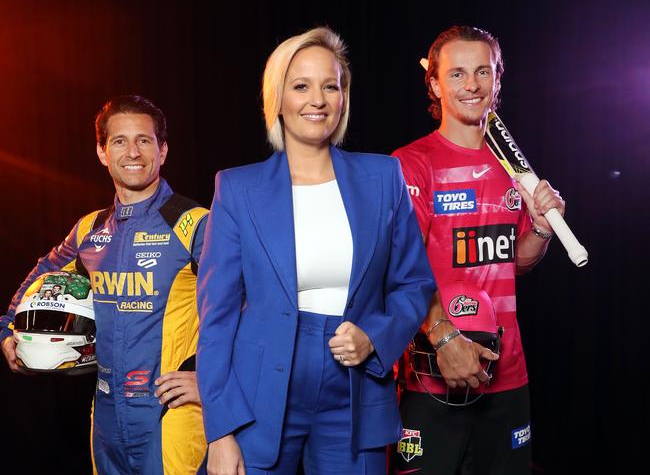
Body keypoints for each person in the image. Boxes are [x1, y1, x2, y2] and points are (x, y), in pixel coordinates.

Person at [196, 26, 435, 475]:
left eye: (331, 86)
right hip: (257, 396)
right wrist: (221, 431)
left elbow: (415, 283)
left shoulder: (384, 178)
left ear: (343, 97)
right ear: (277, 98)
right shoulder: (237, 188)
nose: (318, 100)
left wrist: (375, 337)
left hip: (355, 388)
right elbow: (216, 319)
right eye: (301, 86)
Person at [0, 95, 209, 474]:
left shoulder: (194, 223)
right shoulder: (90, 229)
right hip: (106, 414)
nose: (133, 151)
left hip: (172, 413)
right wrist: (8, 328)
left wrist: (211, 380)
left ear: (162, 151)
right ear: (101, 152)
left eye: (144, 140)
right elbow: (42, 275)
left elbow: (252, 304)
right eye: (119, 141)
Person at [391, 26, 566, 474]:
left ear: (498, 79)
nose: (471, 85)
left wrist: (542, 230)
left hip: (507, 376)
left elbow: (515, 262)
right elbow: (398, 270)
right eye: (457, 74)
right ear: (433, 84)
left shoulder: (513, 167)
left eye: (483, 72)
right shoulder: (411, 163)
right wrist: (444, 338)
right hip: (431, 375)